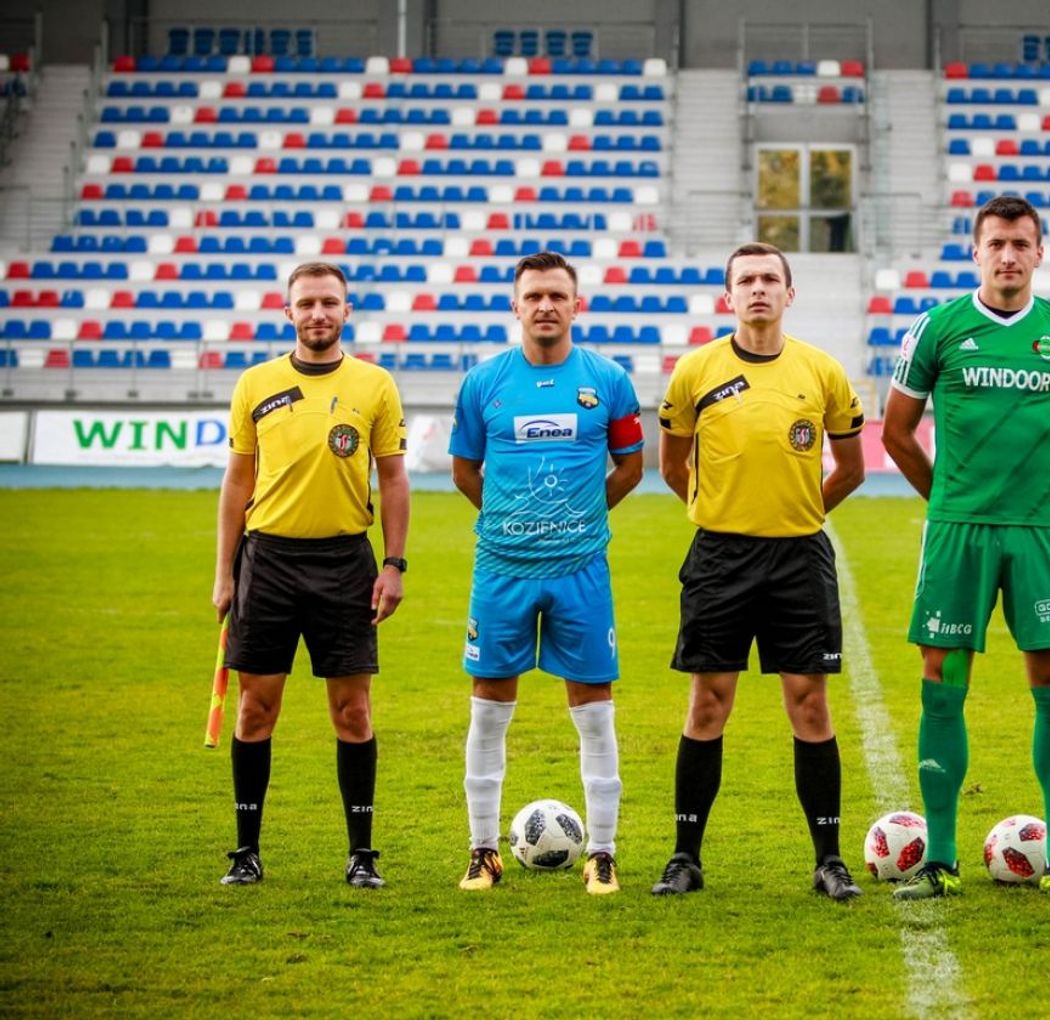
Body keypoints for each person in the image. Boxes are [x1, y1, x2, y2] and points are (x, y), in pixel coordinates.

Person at [882, 195, 1050, 899]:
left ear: (1039, 253)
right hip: (960, 534)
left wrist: (1044, 490)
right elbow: (895, 432)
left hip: (1040, 534)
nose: (1008, 255)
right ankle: (941, 859)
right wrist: (947, 501)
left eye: (1020, 244)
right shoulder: (939, 328)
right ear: (976, 252)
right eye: (996, 244)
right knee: (943, 684)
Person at [650, 242, 867, 901]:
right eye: (745, 280)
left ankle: (829, 861)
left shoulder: (822, 371)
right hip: (720, 559)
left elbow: (851, 468)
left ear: (789, 294)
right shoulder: (696, 371)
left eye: (770, 278)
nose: (758, 289)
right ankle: (685, 858)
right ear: (729, 296)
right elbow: (673, 465)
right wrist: (719, 512)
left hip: (799, 558)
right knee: (708, 702)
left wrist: (802, 511)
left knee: (810, 703)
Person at [449, 251, 644, 895]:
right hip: (501, 570)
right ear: (515, 305)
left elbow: (631, 467)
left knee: (594, 711)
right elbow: (464, 470)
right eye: (533, 295)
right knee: (488, 710)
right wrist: (509, 520)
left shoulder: (607, 380)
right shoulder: (483, 382)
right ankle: (482, 850)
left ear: (576, 305)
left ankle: (603, 853)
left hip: (580, 570)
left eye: (558, 295)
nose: (545, 306)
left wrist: (579, 518)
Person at [212, 261, 410, 888]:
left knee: (353, 712)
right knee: (255, 710)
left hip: (345, 564)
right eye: (306, 304)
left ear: (346, 310)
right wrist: (224, 574)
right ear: (289, 312)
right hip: (267, 563)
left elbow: (394, 479)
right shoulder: (256, 383)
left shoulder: (375, 384)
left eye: (329, 302)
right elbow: (237, 481)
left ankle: (362, 855)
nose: (318, 313)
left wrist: (394, 564)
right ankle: (246, 852)